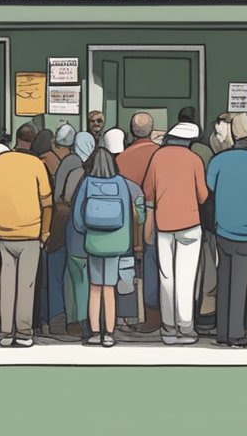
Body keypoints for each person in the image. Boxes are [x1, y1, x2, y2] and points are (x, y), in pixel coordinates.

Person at [142, 125, 210, 344]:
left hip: (164, 224)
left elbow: (148, 192)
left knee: (166, 277)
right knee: (186, 277)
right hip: (190, 224)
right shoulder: (195, 160)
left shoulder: (157, 157)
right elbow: (202, 196)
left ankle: (168, 327)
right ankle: (186, 326)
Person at [206, 114, 247, 348]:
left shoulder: (217, 161)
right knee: (241, 282)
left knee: (224, 279)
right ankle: (236, 333)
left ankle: (222, 332)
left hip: (223, 229)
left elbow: (209, 193)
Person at [73, 145, 145, 347]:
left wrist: (87, 231)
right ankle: (110, 334)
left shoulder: (87, 182)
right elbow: (130, 218)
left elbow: (78, 217)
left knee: (94, 288)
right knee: (109, 289)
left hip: (94, 242)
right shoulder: (122, 184)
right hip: (117, 244)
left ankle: (95, 332)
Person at [0, 140, 52, 348]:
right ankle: (23, 332)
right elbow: (47, 202)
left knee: (7, 284)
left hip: (3, 233)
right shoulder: (36, 164)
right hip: (30, 233)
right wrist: (45, 231)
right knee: (26, 286)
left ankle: (5, 332)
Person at [116, 112, 162, 332]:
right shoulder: (160, 154)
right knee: (156, 267)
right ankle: (154, 314)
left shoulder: (122, 158)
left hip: (128, 223)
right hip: (159, 218)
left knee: (128, 268)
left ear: (131, 131)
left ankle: (129, 313)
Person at [57, 133, 95, 335]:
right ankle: (94, 319)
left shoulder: (75, 173)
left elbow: (66, 201)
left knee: (73, 279)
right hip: (99, 236)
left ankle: (75, 319)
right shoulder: (101, 175)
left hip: (76, 235)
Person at [41, 123, 75, 334]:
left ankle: (54, 318)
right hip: (75, 229)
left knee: (53, 275)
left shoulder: (54, 163)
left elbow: (54, 200)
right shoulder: (77, 162)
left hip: (57, 227)